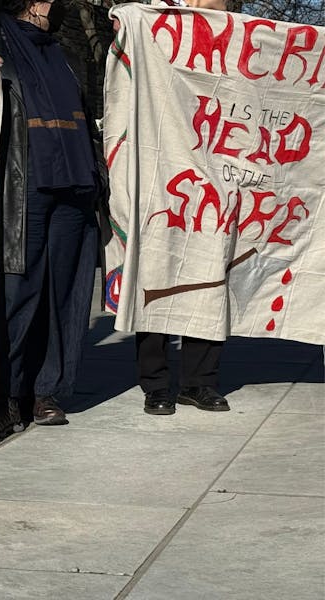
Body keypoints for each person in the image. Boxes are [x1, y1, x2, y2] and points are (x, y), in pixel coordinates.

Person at [0, 0, 102, 434]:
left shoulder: (64, 52)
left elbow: (87, 119)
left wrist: (99, 180)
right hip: (20, 186)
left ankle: (43, 392)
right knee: (19, 290)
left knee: (63, 292)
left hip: (74, 184)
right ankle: (5, 393)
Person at [134, 0, 230, 416]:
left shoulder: (222, 34)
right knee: (154, 271)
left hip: (214, 163)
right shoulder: (148, 18)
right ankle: (155, 384)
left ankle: (199, 382)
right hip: (159, 160)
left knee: (208, 273)